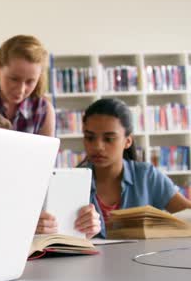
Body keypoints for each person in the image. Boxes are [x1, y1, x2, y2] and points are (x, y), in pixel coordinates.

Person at [77, 98, 190, 237]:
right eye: (89, 138)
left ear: (127, 141)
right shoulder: (73, 181)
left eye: (109, 139)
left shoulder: (146, 176)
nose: (97, 146)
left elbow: (187, 214)